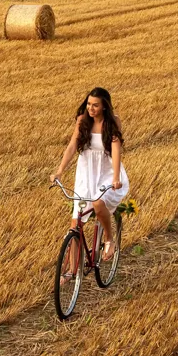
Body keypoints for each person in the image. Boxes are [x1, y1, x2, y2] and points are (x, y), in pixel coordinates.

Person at [50, 87, 129, 280]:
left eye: (95, 105)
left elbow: (116, 149)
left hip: (107, 172)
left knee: (98, 203)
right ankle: (71, 270)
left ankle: (109, 240)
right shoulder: (82, 121)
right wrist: (60, 170)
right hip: (86, 173)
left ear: (104, 107)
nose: (91, 108)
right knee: (75, 224)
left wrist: (116, 177)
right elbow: (71, 147)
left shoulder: (112, 122)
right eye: (88, 104)